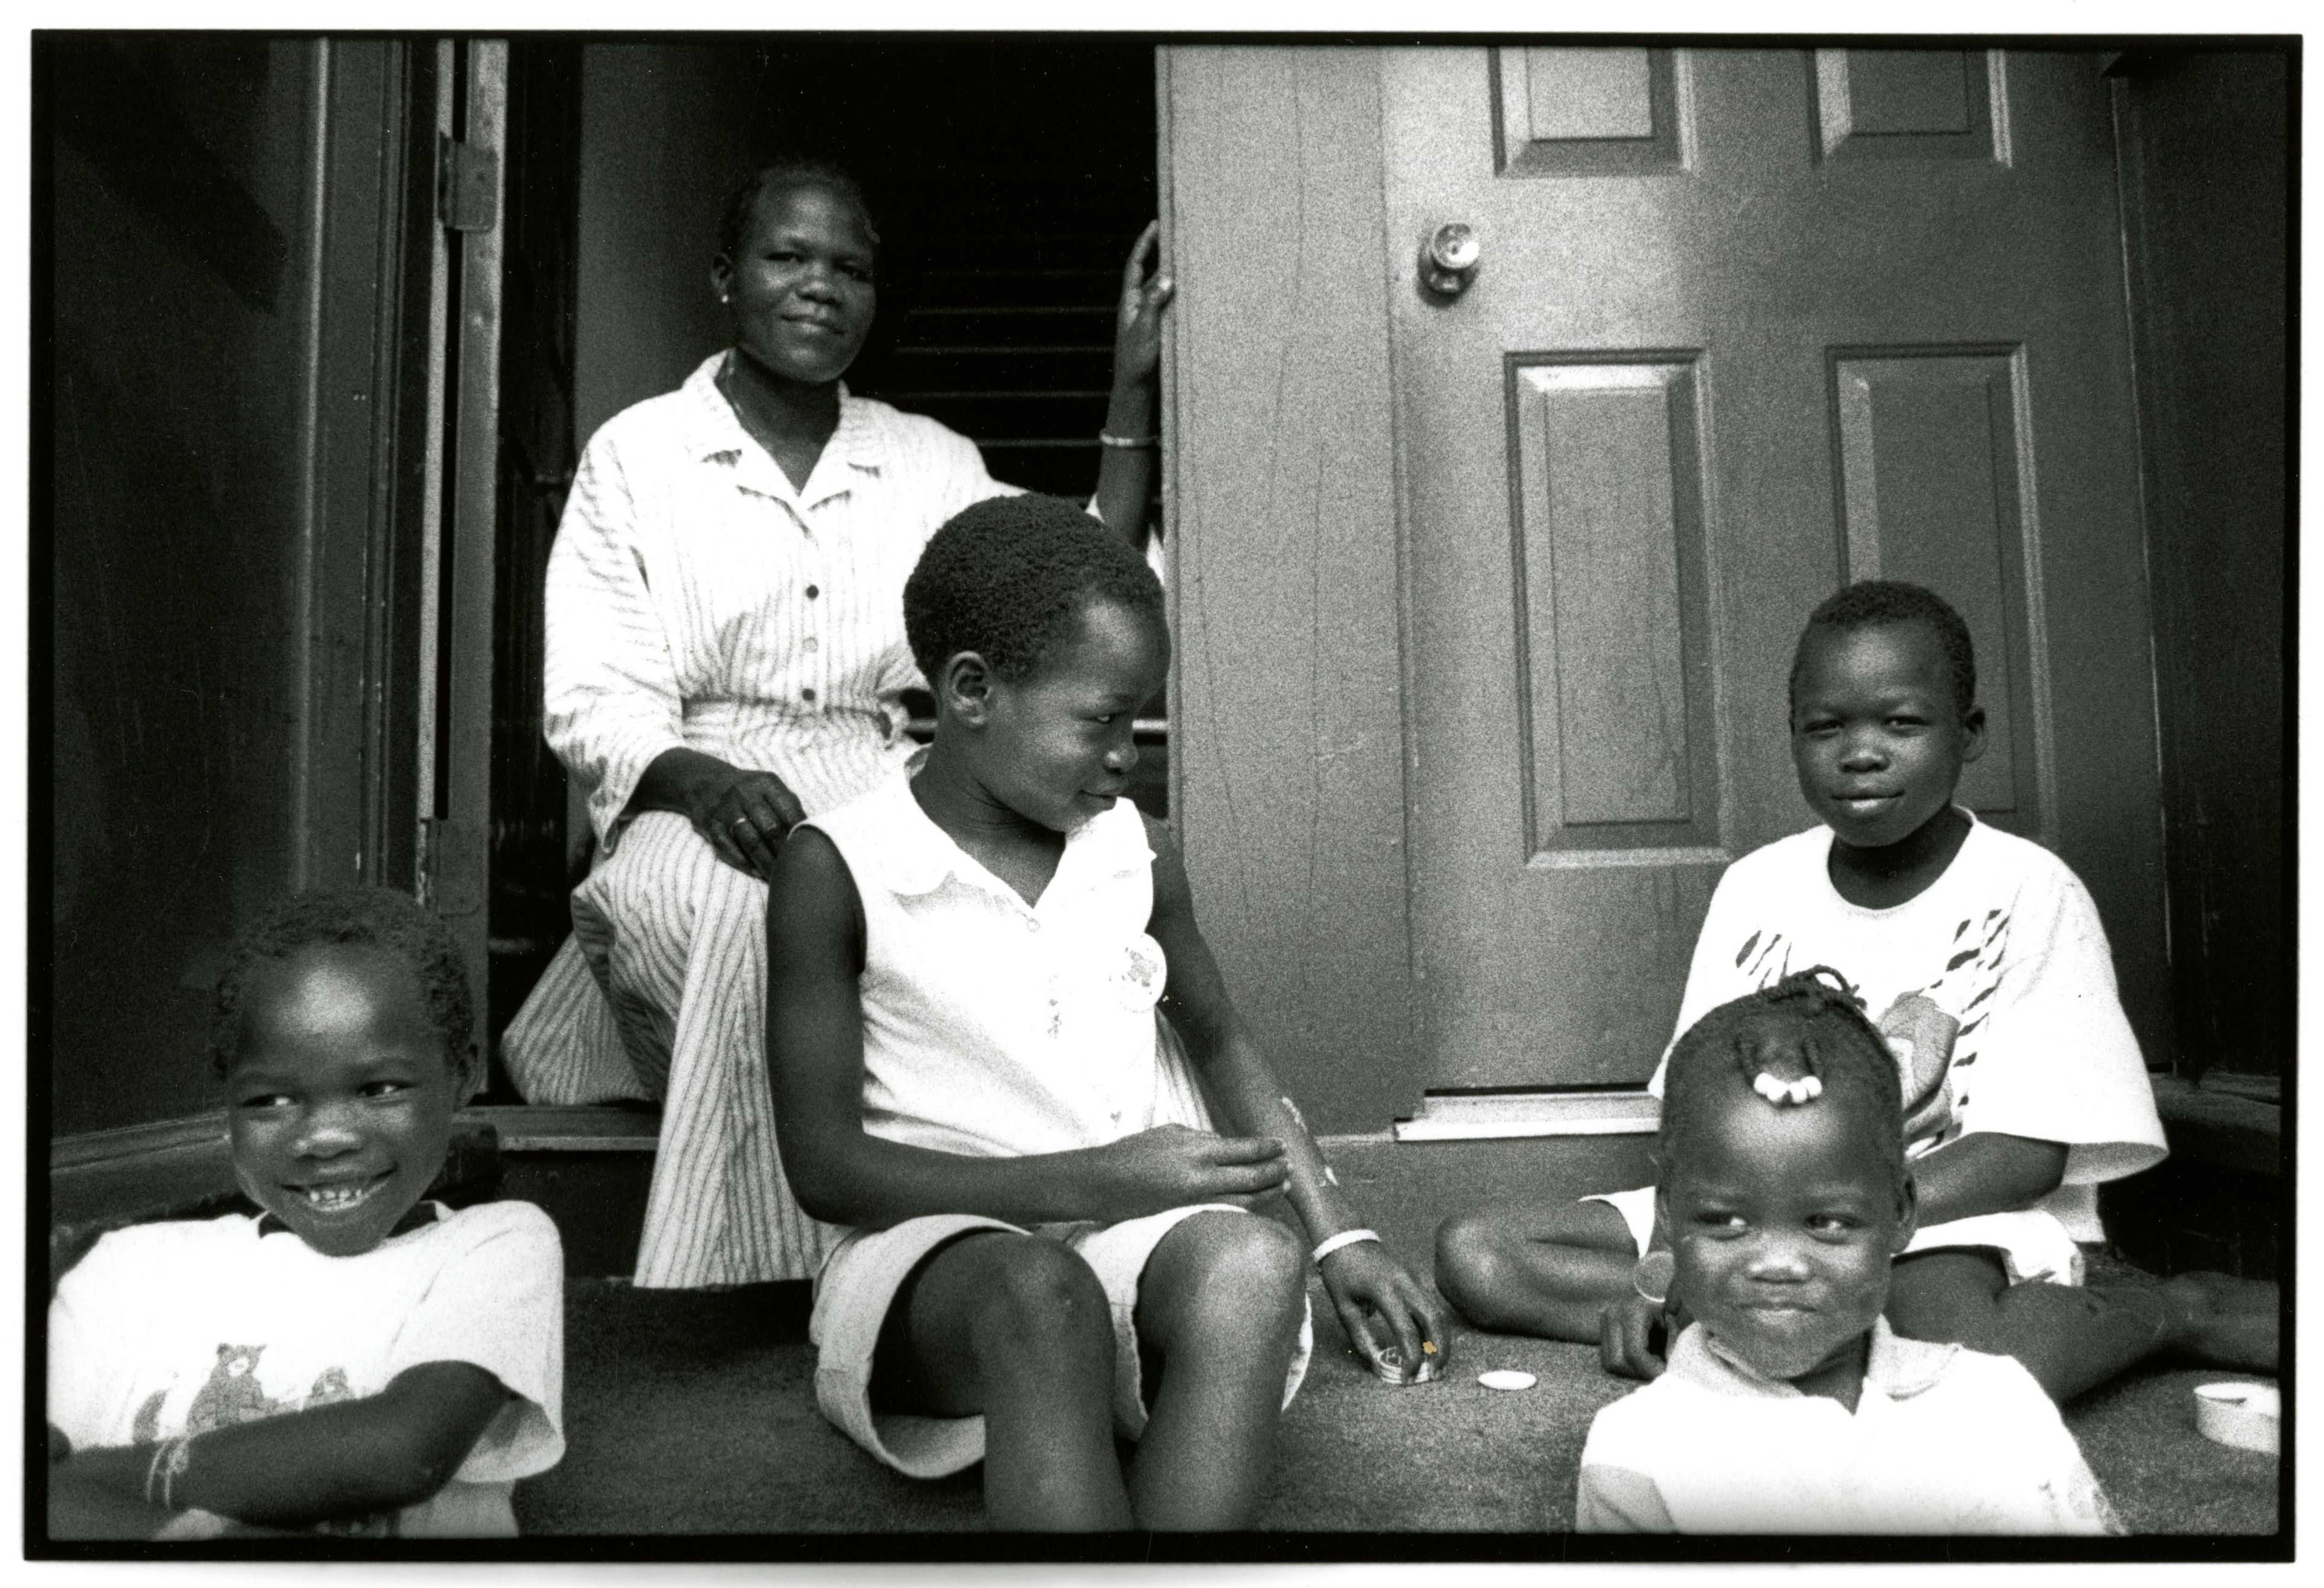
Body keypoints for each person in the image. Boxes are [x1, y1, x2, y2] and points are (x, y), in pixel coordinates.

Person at [503, 158, 1175, 1288]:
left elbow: (1066, 587)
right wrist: (701, 782)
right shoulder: (639, 454)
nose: (820, 286)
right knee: (748, 910)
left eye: (850, 268)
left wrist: (1128, 386)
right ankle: (772, 1275)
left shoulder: (926, 458)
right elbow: (594, 694)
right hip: (693, 780)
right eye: (787, 257)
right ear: (725, 276)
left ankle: (993, 1237)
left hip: (876, 767)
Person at [766, 496, 1446, 1530]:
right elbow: (825, 1169)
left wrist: (1335, 1234)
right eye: (1101, 719)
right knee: (1042, 1295)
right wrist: (1102, 1178)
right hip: (939, 1269)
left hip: (1125, 1241)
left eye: (1137, 722)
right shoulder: (841, 868)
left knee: (1251, 1263)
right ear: (971, 691)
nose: (1128, 753)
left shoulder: (1135, 853)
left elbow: (1220, 1040)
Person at [1438, 581, 2277, 1401]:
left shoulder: (2028, 889)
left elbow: (2025, 1155)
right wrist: (1666, 1272)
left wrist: (1835, 1223)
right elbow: (1696, 1120)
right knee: (1480, 1255)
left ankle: (2173, 1311)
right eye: (1827, 726)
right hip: (1749, 1218)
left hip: (1941, 1219)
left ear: (1970, 733)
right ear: (1793, 737)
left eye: (1902, 723)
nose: (1862, 752)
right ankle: (1798, 1329)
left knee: (1973, 1361)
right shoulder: (1757, 887)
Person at [46, 888, 564, 1540]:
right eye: (272, 1100)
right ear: (227, 1099)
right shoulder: (130, 1270)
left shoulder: (493, 1246)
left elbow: (401, 1451)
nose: (326, 1137)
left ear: (461, 1073)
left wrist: (94, 1482)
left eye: (379, 1089)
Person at [1575, 970, 2119, 1534]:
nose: (1778, 1263)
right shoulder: (1635, 1456)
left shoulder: (1998, 1410)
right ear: (1667, 1215)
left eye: (1826, 1222)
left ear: (1901, 1212)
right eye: (1727, 1221)